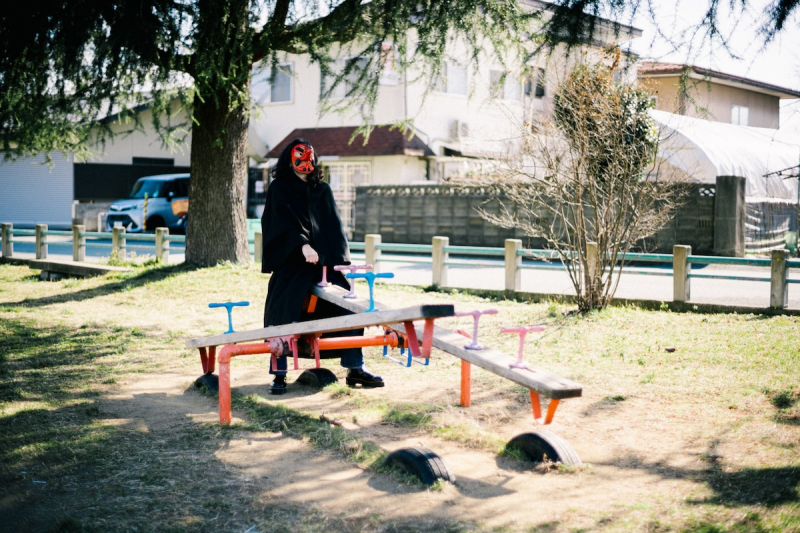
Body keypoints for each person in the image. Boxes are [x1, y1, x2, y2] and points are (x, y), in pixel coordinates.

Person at [260, 138, 384, 395]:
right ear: (289, 159)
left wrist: (336, 260)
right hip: (292, 263)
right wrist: (301, 245)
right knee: (282, 306)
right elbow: (279, 224)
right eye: (300, 157)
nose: (306, 162)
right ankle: (279, 372)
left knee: (350, 303)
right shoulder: (280, 188)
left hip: (326, 265)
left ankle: (354, 367)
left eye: (310, 157)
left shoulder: (322, 190)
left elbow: (333, 228)